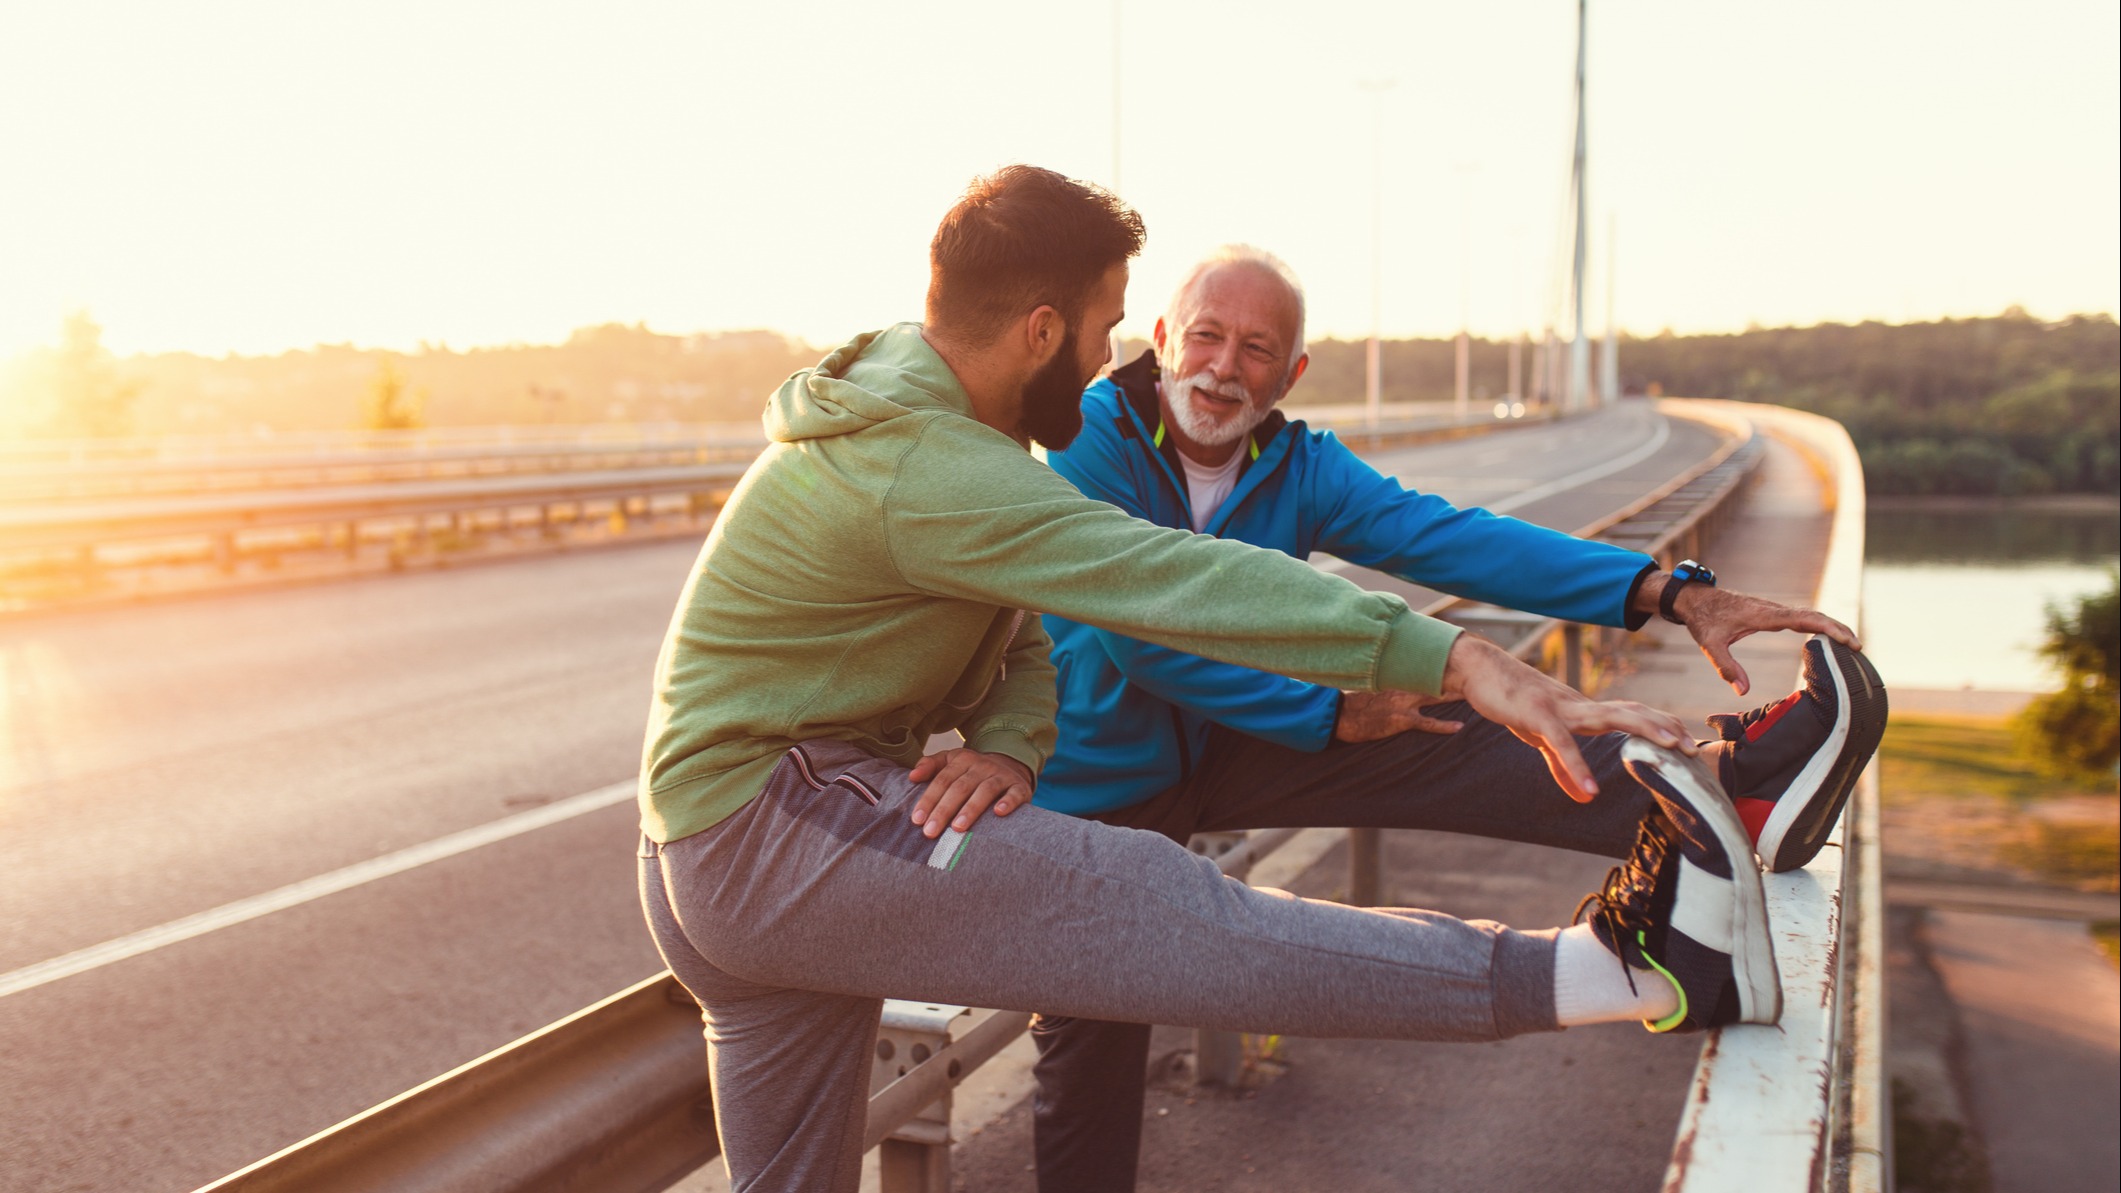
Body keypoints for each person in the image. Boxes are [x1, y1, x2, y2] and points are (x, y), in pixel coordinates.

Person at [634, 166, 1864, 1193]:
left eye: (1253, 347)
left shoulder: (953, 434)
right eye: (1124, 322)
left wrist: (1007, 741)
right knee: (1168, 913)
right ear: (1049, 330)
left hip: (745, 846)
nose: (1153, 353)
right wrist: (1445, 654)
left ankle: (1715, 793)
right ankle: (1616, 971)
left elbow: (1017, 630)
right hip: (781, 825)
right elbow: (1163, 587)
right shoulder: (948, 462)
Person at [1022, 244, 1889, 1192]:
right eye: (1207, 337)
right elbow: (1141, 632)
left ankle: (1735, 789)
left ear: (1293, 374)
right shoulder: (1089, 439)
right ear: (1161, 339)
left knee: (1440, 717)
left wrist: (1668, 593)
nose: (1225, 368)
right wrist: (1326, 708)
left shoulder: (1297, 466)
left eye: (1258, 350)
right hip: (1099, 779)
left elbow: (1452, 540)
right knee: (1090, 1037)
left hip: (1238, 737)